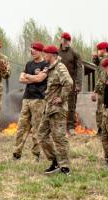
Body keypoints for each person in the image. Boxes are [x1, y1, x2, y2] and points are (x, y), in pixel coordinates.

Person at [36, 45, 74, 175]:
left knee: (59, 138)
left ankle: (65, 167)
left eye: (45, 54)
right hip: (49, 109)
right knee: (41, 135)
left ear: (51, 55)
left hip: (57, 110)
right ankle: (55, 161)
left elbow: (69, 83)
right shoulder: (51, 68)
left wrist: (61, 98)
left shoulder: (60, 67)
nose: (43, 56)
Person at [13, 42, 49, 161]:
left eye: (35, 50)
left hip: (39, 100)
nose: (32, 52)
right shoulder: (29, 64)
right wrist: (33, 78)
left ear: (40, 51)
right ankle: (16, 154)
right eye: (31, 49)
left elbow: (40, 78)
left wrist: (28, 77)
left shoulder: (46, 65)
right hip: (26, 99)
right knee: (21, 127)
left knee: (36, 128)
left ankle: (36, 155)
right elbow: (20, 79)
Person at [58, 33, 83, 135]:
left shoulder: (74, 53)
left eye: (68, 40)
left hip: (71, 84)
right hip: (58, 84)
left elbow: (79, 69)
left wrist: (78, 84)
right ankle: (59, 126)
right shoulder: (56, 52)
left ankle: (71, 127)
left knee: (71, 106)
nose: (66, 42)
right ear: (61, 40)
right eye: (64, 40)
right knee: (58, 105)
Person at [91, 42, 108, 137]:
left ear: (104, 50)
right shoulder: (103, 60)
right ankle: (101, 130)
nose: (98, 52)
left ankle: (104, 131)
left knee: (104, 111)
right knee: (100, 111)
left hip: (106, 90)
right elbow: (100, 76)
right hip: (102, 89)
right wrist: (95, 91)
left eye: (99, 49)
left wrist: (96, 90)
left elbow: (103, 77)